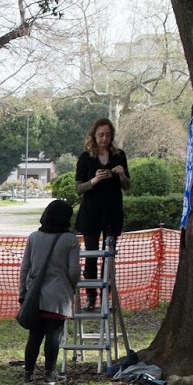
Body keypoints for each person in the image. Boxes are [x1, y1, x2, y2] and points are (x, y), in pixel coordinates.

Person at [18, 198, 80, 385]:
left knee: (35, 335)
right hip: (59, 295)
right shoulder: (70, 240)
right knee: (54, 334)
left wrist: (23, 292)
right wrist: (71, 286)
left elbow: (25, 267)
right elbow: (74, 271)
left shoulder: (34, 237)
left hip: (35, 295)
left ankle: (28, 373)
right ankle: (50, 374)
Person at [74, 117, 130, 309]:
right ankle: (90, 296)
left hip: (113, 212)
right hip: (91, 213)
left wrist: (121, 174)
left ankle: (109, 295)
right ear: (94, 136)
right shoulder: (85, 157)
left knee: (110, 255)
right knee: (91, 255)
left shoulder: (119, 155)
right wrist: (94, 181)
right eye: (101, 135)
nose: (104, 138)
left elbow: (127, 186)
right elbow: (78, 188)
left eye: (107, 135)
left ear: (112, 135)